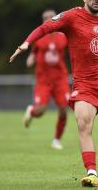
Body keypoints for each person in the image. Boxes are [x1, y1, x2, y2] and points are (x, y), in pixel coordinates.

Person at [10, 0, 98, 188]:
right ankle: (91, 172)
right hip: (86, 84)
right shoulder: (71, 16)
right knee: (83, 122)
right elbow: (46, 27)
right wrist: (26, 43)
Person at [23, 9, 70, 150]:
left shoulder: (64, 36)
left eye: (51, 17)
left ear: (56, 18)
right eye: (46, 18)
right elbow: (33, 53)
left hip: (60, 79)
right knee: (40, 111)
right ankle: (31, 111)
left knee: (63, 109)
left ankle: (56, 140)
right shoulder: (38, 37)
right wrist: (30, 60)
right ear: (43, 21)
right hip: (43, 80)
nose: (49, 19)